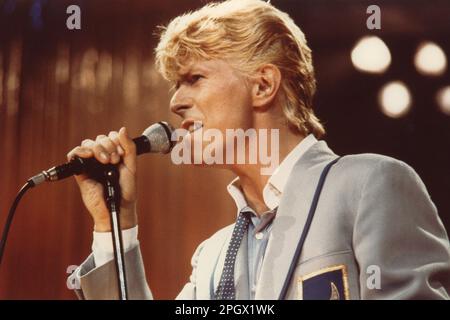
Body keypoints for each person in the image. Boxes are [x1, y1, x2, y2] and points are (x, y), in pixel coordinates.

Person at [67, 0, 450, 299]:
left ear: (263, 85)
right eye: (176, 84)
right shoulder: (212, 256)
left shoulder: (370, 185)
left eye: (194, 79)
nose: (175, 103)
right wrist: (115, 222)